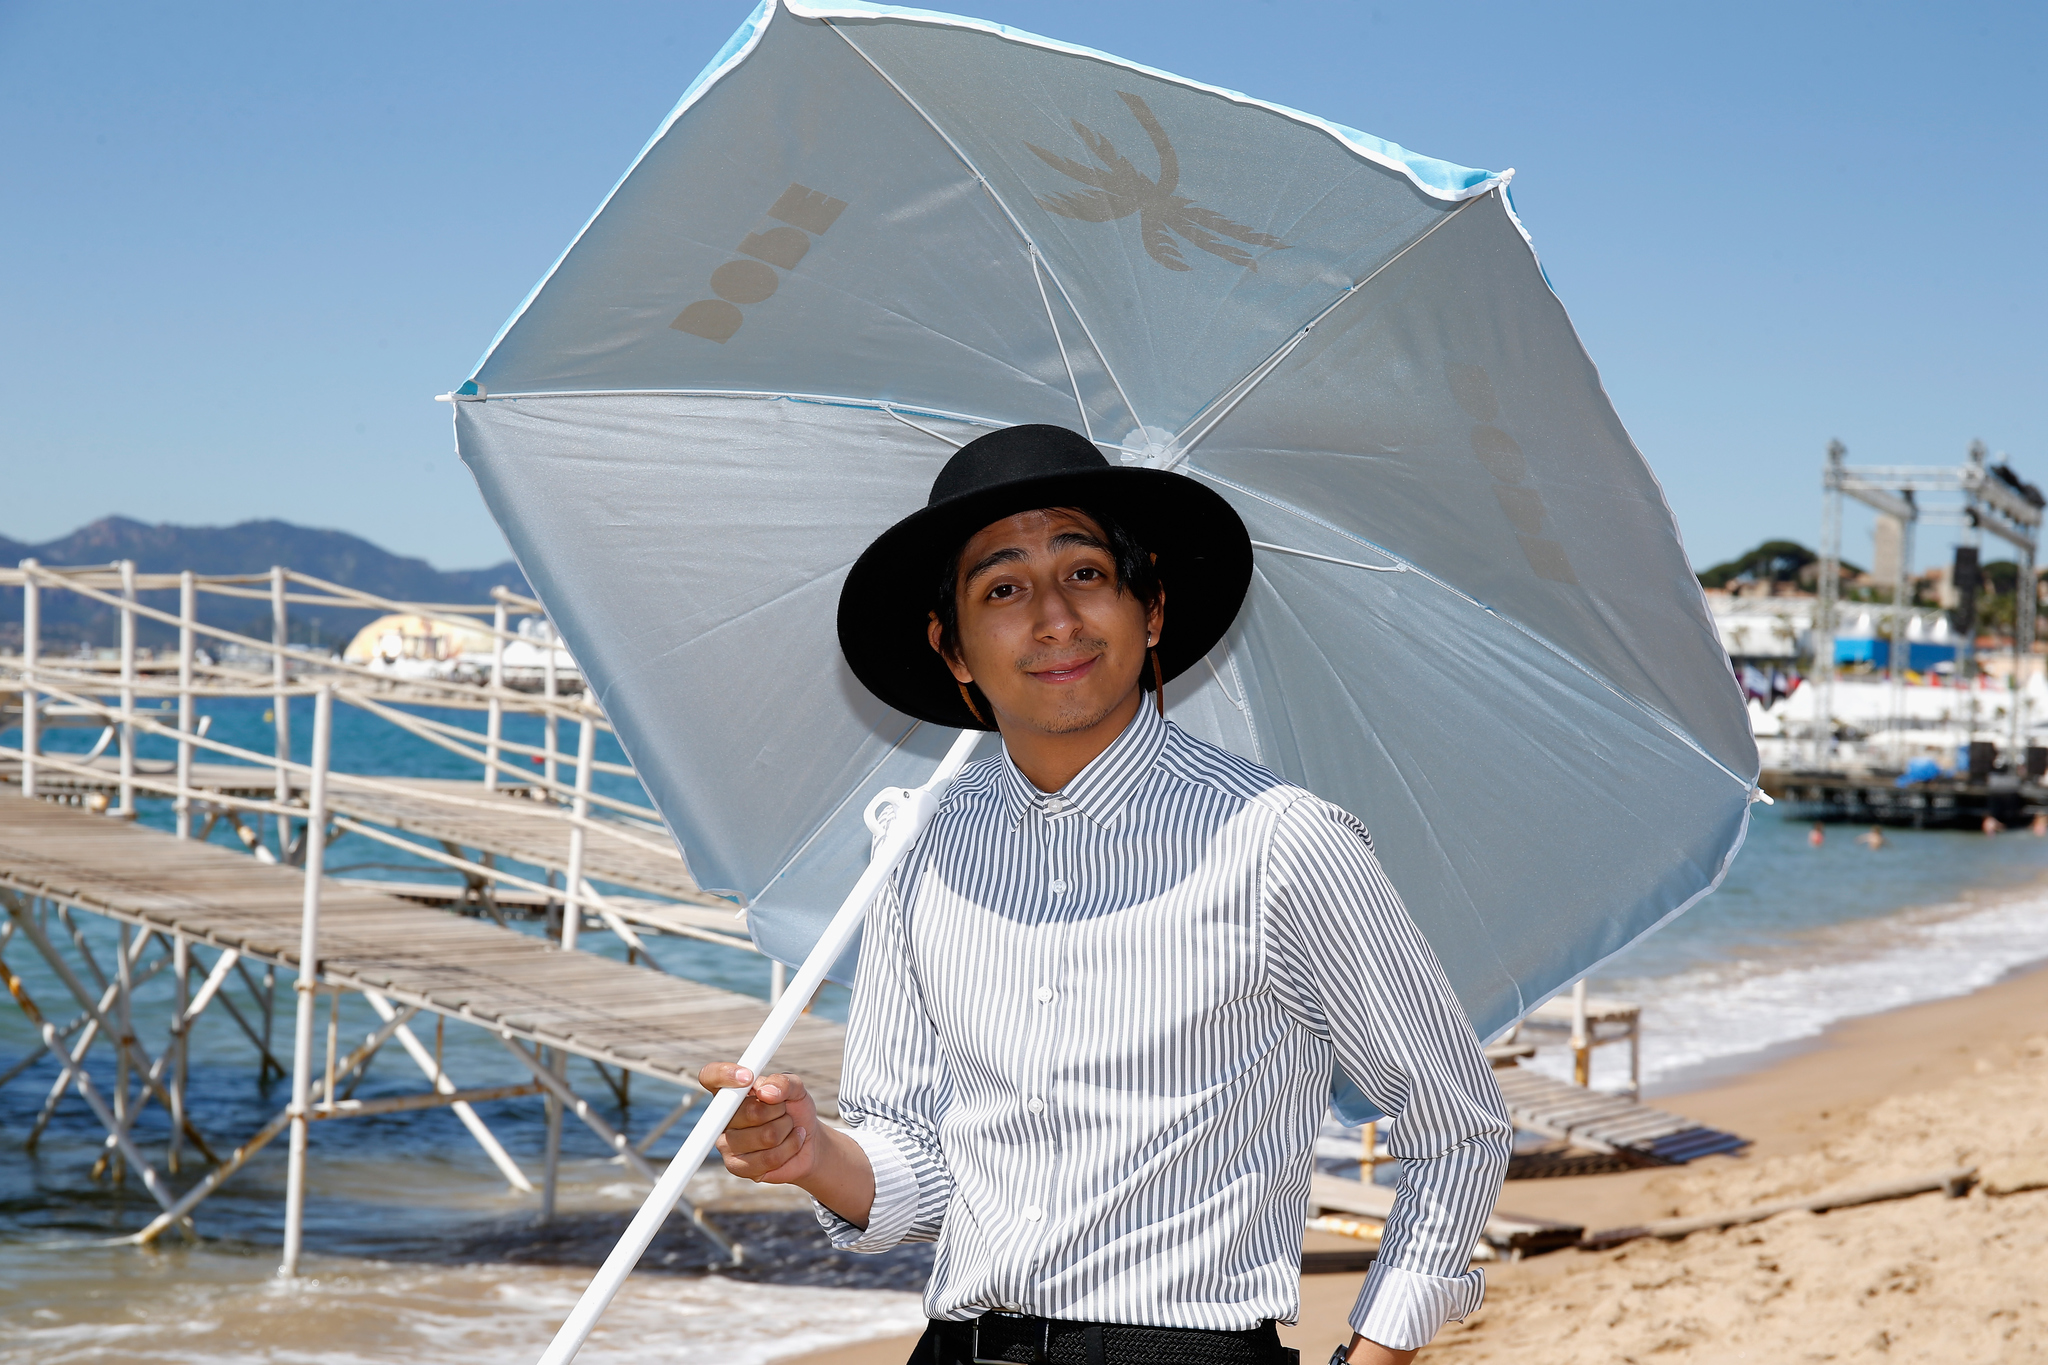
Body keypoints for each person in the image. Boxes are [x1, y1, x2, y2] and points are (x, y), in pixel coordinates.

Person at [701, 426, 1511, 1365]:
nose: (1053, 619)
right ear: (952, 648)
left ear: (1153, 608)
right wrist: (812, 1154)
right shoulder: (919, 852)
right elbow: (922, 1164)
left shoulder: (1280, 842)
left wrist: (1374, 1356)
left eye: (1084, 572)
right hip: (958, 1348)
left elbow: (1455, 1129)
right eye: (1001, 589)